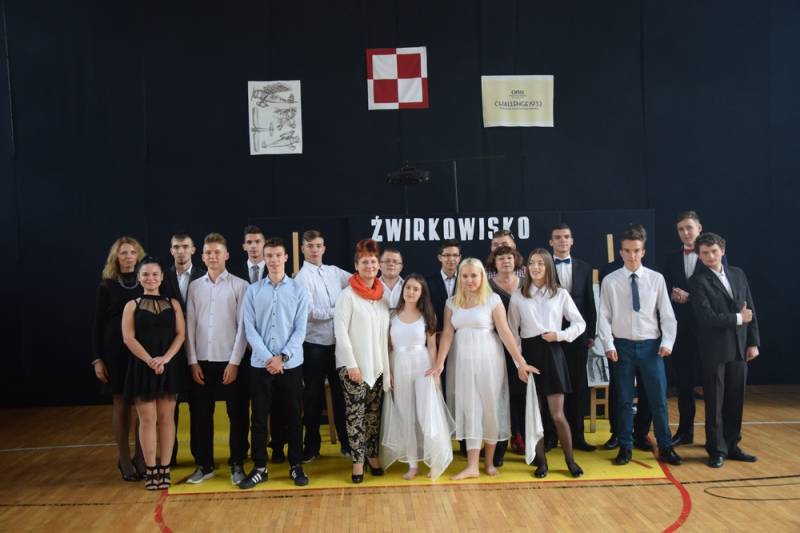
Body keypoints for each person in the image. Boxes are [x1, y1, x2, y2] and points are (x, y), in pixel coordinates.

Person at [428, 258, 538, 480]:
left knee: (490, 409)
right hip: (462, 363)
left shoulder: (492, 300)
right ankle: (472, 466)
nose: (469, 280)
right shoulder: (451, 303)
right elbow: (447, 335)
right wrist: (439, 364)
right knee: (470, 410)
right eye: (465, 276)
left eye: (474, 275)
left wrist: (520, 362)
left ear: (481, 277)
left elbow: (505, 332)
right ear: (460, 277)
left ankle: (488, 463)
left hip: (489, 361)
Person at [597, 225, 681, 466]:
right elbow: (604, 315)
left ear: (643, 251)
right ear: (620, 252)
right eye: (627, 251)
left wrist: (667, 341)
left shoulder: (656, 279)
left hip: (651, 347)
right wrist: (608, 344)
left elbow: (667, 315)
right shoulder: (611, 281)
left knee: (658, 399)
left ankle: (665, 446)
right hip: (622, 347)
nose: (632, 255)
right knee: (623, 400)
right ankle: (625, 446)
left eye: (636, 250)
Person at [508, 249, 586, 478]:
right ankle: (541, 463)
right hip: (529, 355)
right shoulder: (518, 296)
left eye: (541, 263)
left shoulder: (560, 294)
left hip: (552, 354)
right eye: (532, 263)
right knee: (535, 416)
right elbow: (513, 334)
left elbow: (580, 323)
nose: (535, 267)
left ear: (549, 266)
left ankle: (570, 460)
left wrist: (560, 335)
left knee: (557, 414)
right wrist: (519, 364)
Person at [239, 237, 309, 488]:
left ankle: (296, 465)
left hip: (290, 365)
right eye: (269, 256)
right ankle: (260, 467)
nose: (274, 260)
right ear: (263, 258)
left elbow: (301, 329)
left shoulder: (299, 290)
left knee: (293, 416)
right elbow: (249, 328)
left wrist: (283, 357)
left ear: (286, 257)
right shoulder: (253, 291)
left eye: (278, 255)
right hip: (261, 365)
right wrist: (269, 358)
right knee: (259, 418)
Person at [689, 232, 760, 468]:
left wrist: (753, 342)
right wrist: (739, 318)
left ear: (723, 251)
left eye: (714, 251)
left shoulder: (738, 274)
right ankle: (716, 449)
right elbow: (707, 317)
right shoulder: (697, 281)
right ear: (699, 256)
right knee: (715, 401)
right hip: (714, 350)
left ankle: (732, 445)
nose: (710, 256)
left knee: (735, 399)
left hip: (739, 347)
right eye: (705, 253)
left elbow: (751, 309)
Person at [184, 233, 249, 485]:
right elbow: (189, 325)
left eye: (217, 252)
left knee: (237, 414)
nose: (212, 256)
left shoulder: (240, 286)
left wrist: (235, 362)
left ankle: (237, 463)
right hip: (201, 361)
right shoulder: (194, 287)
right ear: (202, 256)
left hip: (230, 360)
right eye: (208, 253)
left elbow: (243, 327)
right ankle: (204, 464)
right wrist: (192, 361)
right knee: (201, 414)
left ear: (227, 255)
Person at [121, 257, 186, 490]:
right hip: (143, 366)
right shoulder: (132, 305)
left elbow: (181, 334)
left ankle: (165, 468)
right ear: (139, 278)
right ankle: (150, 469)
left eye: (155, 274)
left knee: (167, 419)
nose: (151, 278)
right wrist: (150, 360)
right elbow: (128, 338)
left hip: (168, 365)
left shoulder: (173, 303)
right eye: (146, 274)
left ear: (162, 277)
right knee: (147, 419)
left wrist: (165, 359)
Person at [381, 274, 454, 480]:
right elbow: (387, 346)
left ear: (421, 293)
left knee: (426, 415)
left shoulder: (427, 316)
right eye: (408, 288)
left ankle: (436, 458)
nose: (411, 292)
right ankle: (412, 464)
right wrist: (389, 372)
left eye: (415, 289)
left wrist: (436, 371)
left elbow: (432, 346)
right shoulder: (392, 316)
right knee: (405, 416)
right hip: (399, 366)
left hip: (422, 367)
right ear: (403, 290)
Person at [334, 239, 391, 484]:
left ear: (379, 266)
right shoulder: (347, 296)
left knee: (373, 415)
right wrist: (351, 364)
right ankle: (357, 462)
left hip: (377, 367)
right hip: (353, 367)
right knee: (355, 416)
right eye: (365, 262)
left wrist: (387, 370)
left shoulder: (382, 297)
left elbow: (385, 337)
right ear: (356, 266)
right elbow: (340, 331)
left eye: (373, 262)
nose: (370, 266)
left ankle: (372, 456)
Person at [293, 229, 351, 462]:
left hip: (338, 345)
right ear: (303, 249)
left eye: (318, 245)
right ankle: (312, 447)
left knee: (341, 396)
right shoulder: (300, 278)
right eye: (310, 246)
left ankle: (347, 444)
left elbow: (357, 281)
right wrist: (340, 311)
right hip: (314, 345)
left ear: (324, 248)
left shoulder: (334, 272)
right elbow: (311, 313)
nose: (315, 250)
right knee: (312, 398)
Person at [92, 236, 146, 481]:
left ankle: (142, 457)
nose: (128, 257)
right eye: (123, 253)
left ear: (138, 256)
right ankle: (124, 458)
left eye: (132, 252)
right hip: (115, 352)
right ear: (116, 257)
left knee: (143, 404)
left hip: (141, 349)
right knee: (121, 403)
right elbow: (97, 324)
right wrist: (97, 359)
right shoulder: (107, 286)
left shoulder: (147, 281)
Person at [549, 223, 597, 452]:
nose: (562, 241)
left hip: (578, 336)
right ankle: (551, 437)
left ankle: (577, 437)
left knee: (578, 387)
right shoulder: (542, 266)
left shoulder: (585, 267)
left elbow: (589, 302)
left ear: (572, 240)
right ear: (551, 242)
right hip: (551, 335)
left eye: (566, 237)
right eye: (558, 237)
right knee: (553, 386)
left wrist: (591, 333)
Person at [161, 232, 205, 466]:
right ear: (171, 251)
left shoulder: (204, 275)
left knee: (199, 406)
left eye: (185, 246)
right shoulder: (161, 277)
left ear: (193, 249)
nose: (181, 251)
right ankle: (170, 456)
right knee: (170, 407)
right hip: (171, 349)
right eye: (176, 247)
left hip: (199, 347)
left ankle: (200, 457)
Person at [661, 211, 703, 447]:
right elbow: (663, 289)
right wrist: (672, 295)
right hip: (682, 331)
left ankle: (717, 438)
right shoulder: (670, 258)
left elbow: (721, 292)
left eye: (689, 228)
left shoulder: (712, 254)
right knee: (684, 385)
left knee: (713, 387)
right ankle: (685, 432)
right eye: (681, 229)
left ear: (699, 228)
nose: (685, 233)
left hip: (709, 332)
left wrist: (691, 297)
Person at [486, 244, 526, 464]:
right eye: (501, 259)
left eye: (509, 258)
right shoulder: (488, 287)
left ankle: (523, 440)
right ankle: (500, 446)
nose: (506, 262)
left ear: (515, 260)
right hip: (498, 348)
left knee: (523, 395)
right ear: (495, 263)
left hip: (524, 346)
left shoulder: (526, 283)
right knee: (502, 396)